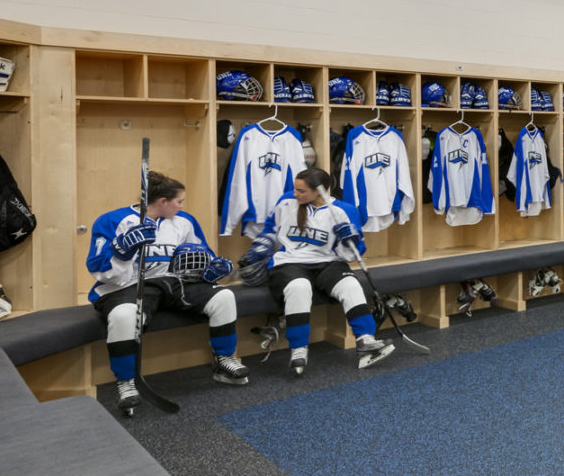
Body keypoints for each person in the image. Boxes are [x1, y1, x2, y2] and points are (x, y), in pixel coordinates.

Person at [87, 170, 243, 416]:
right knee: (124, 316)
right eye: (179, 201)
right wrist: (122, 250)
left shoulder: (184, 221)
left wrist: (210, 270)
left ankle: (224, 359)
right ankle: (126, 381)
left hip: (173, 283)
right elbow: (98, 269)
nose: (182, 206)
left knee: (224, 297)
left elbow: (203, 254)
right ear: (162, 201)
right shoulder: (112, 220)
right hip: (126, 286)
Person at [248, 167, 396, 375]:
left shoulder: (345, 211)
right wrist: (262, 245)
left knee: (351, 285)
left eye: (301, 191)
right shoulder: (287, 202)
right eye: (295, 189)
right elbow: (271, 230)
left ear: (320, 191)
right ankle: (299, 348)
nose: (295, 194)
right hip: (290, 262)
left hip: (328, 262)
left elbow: (350, 255)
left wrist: (350, 240)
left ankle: (365, 342)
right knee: (299, 287)